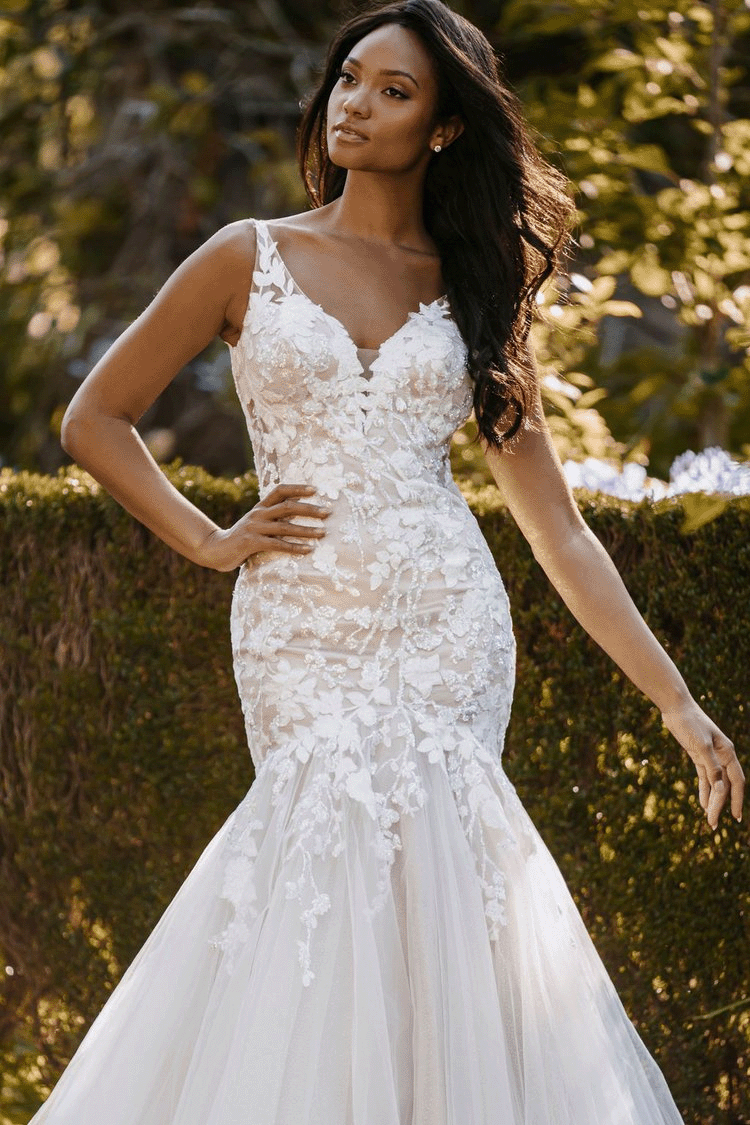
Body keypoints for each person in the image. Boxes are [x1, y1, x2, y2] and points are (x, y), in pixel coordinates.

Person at [31, 0, 743, 1121]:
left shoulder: (475, 286)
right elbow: (97, 418)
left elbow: (556, 527)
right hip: (299, 625)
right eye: (349, 79)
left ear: (446, 128)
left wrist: (679, 703)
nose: (354, 103)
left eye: (393, 90)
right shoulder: (247, 255)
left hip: (445, 623)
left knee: (444, 904)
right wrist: (212, 542)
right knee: (319, 860)